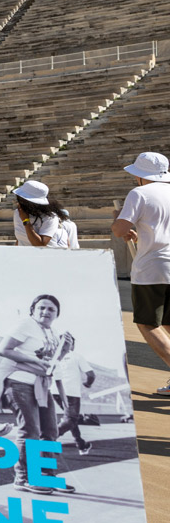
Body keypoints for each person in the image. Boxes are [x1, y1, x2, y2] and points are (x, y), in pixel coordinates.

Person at [0, 295, 73, 494]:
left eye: (51, 309)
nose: (46, 312)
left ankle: (46, 475)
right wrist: (35, 362)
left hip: (41, 384)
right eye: (41, 307)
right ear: (33, 310)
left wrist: (64, 350)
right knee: (29, 430)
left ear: (57, 314)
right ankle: (24, 477)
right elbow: (3, 349)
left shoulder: (53, 332)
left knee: (50, 431)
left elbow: (51, 363)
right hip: (19, 381)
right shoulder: (26, 324)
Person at [111, 151, 170, 398]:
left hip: (152, 268)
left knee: (148, 323)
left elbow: (120, 229)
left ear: (141, 176)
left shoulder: (140, 193)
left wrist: (119, 223)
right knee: (168, 323)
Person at [54, 339, 94, 456]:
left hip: (55, 391)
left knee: (71, 418)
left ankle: (81, 444)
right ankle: (48, 438)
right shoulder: (76, 356)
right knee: (71, 419)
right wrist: (88, 383)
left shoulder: (54, 357)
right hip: (71, 393)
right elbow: (91, 374)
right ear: (72, 345)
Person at [12, 180, 71, 248]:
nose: (18, 202)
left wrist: (26, 221)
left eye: (21, 199)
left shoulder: (50, 217)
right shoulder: (18, 213)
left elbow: (40, 245)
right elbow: (20, 238)